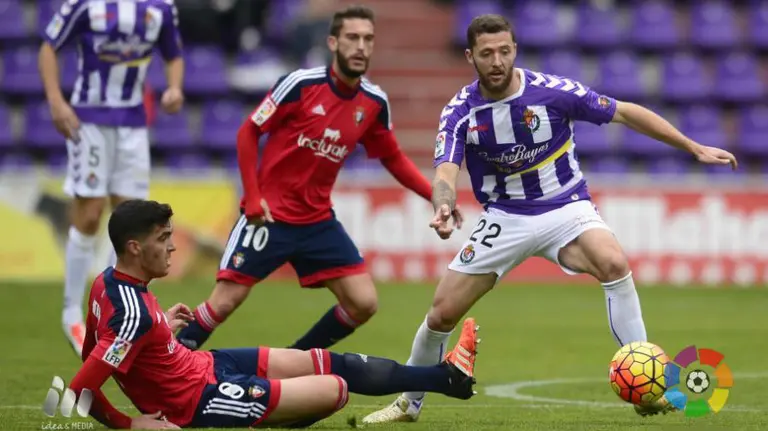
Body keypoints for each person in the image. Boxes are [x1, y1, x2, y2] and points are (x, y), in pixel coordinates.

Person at [362, 14, 739, 424]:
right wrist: (443, 204)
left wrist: (693, 147)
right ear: (470, 56)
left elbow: (626, 113)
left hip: (565, 207)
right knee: (441, 314)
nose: (496, 61)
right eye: (486, 53)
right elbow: (445, 173)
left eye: (504, 51)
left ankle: (645, 385)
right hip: (506, 217)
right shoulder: (460, 111)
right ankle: (409, 403)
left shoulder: (554, 93)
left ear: (515, 50)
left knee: (613, 262)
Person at [175, 5, 462, 352]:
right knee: (223, 303)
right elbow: (248, 132)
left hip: (316, 221)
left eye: (368, 39)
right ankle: (169, 362)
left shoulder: (373, 102)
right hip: (269, 216)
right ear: (333, 42)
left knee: (363, 302)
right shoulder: (301, 84)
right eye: (352, 38)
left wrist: (437, 196)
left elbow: (393, 158)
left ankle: (294, 360)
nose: (360, 46)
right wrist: (252, 195)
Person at [66, 199, 479, 429]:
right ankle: (253, 416)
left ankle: (446, 378)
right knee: (335, 390)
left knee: (327, 362)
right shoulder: (132, 313)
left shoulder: (107, 283)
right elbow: (80, 388)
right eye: (163, 239)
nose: (173, 247)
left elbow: (95, 350)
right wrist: (130, 425)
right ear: (135, 248)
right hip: (197, 400)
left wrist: (161, 331)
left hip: (206, 365)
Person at [38, 0, 186, 355]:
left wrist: (174, 87)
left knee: (130, 221)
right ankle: (71, 311)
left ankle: (109, 310)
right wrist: (56, 101)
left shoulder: (161, 8)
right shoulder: (85, 6)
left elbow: (174, 53)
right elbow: (48, 47)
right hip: (89, 121)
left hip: (133, 125)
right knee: (90, 214)